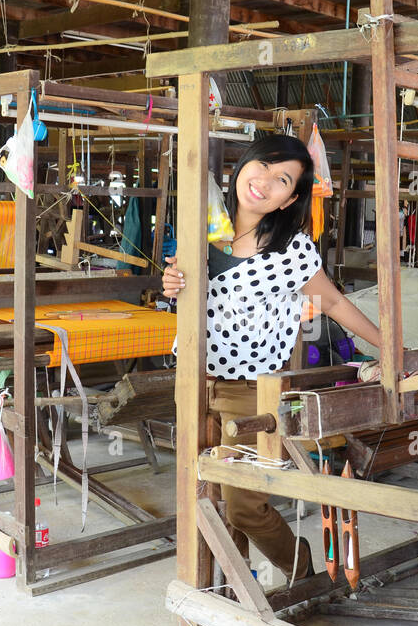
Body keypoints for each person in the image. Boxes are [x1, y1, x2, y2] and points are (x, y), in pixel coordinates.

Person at [162, 133, 383, 581]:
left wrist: (389, 349)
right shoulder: (202, 232)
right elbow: (184, 302)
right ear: (243, 166)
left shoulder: (292, 252)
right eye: (261, 166)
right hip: (194, 382)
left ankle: (302, 570)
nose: (263, 181)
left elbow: (335, 303)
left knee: (245, 504)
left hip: (252, 393)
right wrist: (171, 288)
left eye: (281, 179)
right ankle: (234, 584)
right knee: (212, 496)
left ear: (290, 199)